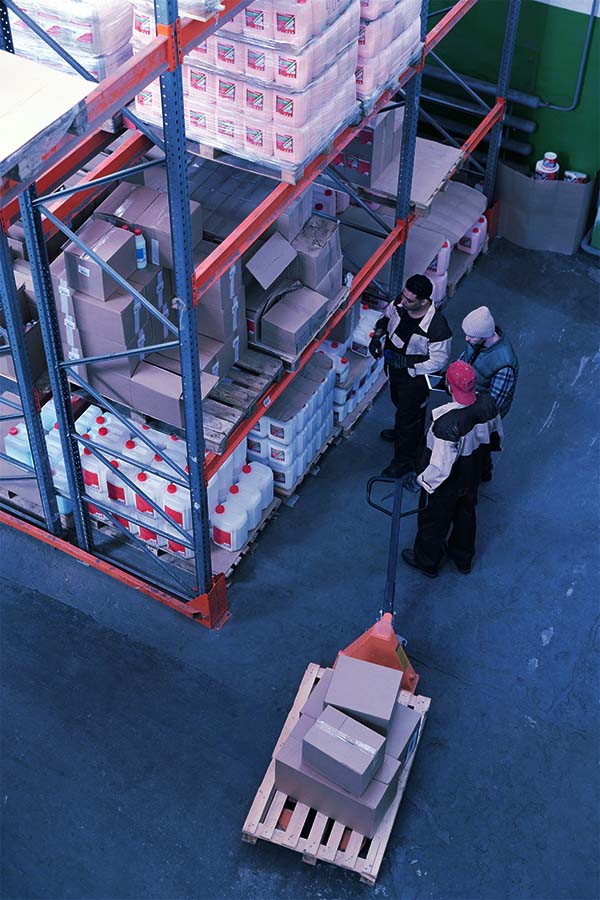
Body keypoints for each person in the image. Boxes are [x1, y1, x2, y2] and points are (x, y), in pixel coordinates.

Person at [402, 360, 503, 577]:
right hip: (472, 473)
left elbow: (440, 467)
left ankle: (427, 561)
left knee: (434, 522)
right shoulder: (488, 403)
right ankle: (463, 559)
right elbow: (496, 435)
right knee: (466, 514)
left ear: (449, 386)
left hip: (448, 483)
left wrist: (421, 480)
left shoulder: (445, 424)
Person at [369, 274, 452, 479]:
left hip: (415, 379)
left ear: (424, 301)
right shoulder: (401, 304)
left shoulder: (437, 327)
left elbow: (439, 361)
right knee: (399, 404)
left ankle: (405, 461)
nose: (402, 301)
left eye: (409, 300)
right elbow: (386, 317)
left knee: (410, 416)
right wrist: (377, 337)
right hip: (395, 369)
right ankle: (402, 433)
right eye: (403, 296)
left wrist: (408, 366)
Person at [460, 306, 518, 480]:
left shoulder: (504, 363)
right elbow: (466, 358)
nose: (466, 338)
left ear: (486, 335)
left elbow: (493, 405)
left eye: (471, 336)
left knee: (479, 446)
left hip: (482, 413)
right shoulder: (475, 340)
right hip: (470, 399)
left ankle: (482, 472)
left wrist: (468, 410)